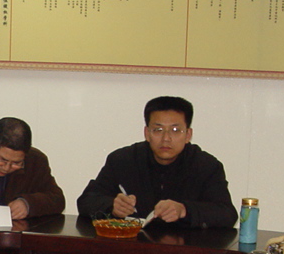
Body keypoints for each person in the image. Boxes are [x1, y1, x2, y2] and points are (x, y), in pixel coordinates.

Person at [76, 96, 236, 227]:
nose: (166, 138)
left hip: (185, 249)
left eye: (175, 130)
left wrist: (184, 210)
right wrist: (112, 206)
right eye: (158, 130)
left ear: (188, 135)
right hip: (132, 247)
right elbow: (86, 201)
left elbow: (227, 214)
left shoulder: (206, 166)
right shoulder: (123, 160)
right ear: (147, 133)